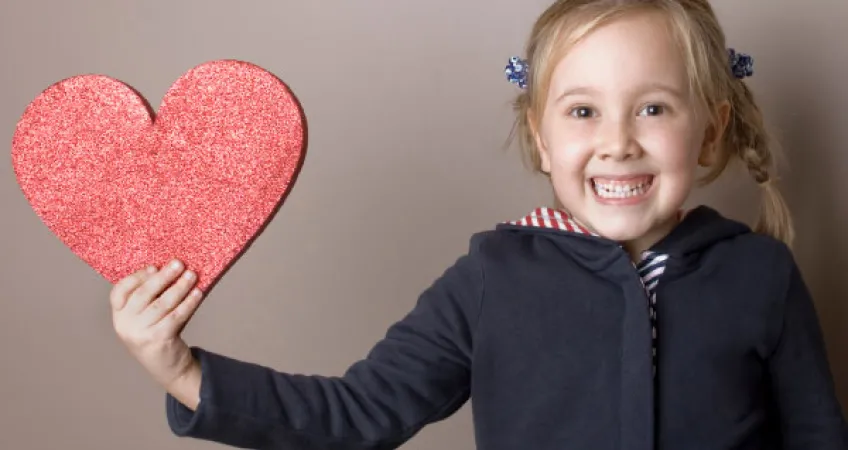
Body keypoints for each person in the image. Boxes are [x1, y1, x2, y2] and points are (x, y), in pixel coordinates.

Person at [108, 1, 848, 448]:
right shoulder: (493, 276)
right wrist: (182, 372)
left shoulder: (761, 275)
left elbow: (816, 437)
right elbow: (359, 413)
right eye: (583, 111)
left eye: (653, 108)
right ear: (540, 135)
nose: (619, 141)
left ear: (710, 132)